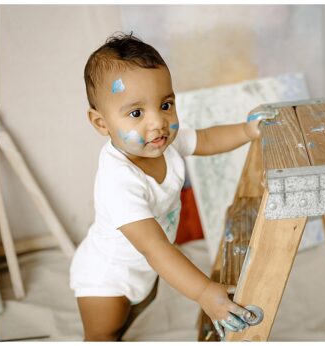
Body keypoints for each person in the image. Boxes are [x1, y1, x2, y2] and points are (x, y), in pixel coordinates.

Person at [69, 33, 267, 341]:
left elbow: (208, 139)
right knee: (104, 332)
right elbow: (154, 248)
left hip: (144, 270)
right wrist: (203, 292)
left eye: (165, 104)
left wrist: (245, 130)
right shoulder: (118, 180)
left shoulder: (165, 145)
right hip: (107, 279)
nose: (158, 122)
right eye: (136, 113)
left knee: (133, 315)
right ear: (101, 123)